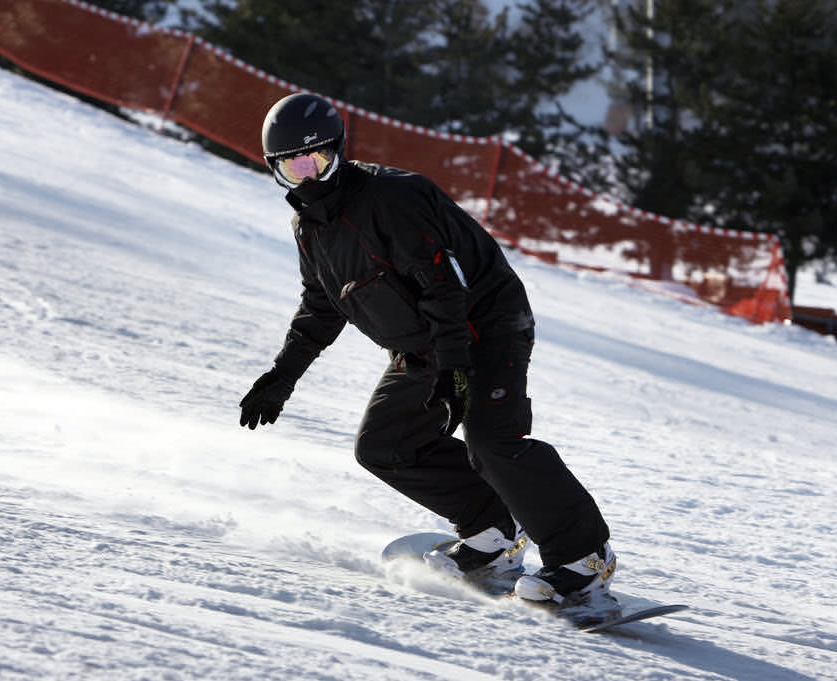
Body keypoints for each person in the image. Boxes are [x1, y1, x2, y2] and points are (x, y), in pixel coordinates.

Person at [238, 93, 615, 606]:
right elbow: (321, 306)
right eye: (293, 165)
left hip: (485, 326)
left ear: (338, 153)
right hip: (422, 345)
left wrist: (455, 370)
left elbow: (445, 287)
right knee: (385, 445)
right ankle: (492, 531)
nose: (307, 176)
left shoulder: (392, 198)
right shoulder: (310, 228)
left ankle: (584, 557)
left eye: (317, 161)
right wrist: (281, 376)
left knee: (492, 441)